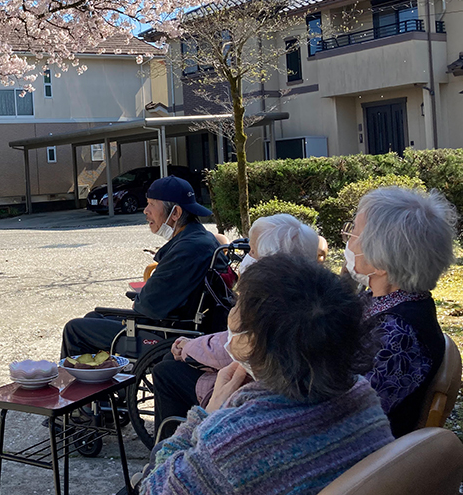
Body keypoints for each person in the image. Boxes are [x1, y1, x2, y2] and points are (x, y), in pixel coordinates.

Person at [139, 255, 394, 495]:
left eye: (237, 305)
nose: (231, 313)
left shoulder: (232, 441)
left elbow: (153, 489)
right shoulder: (362, 396)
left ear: (251, 342)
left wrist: (206, 416)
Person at [152, 214, 320, 425]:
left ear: (272, 260)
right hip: (281, 388)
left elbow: (235, 348)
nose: (247, 257)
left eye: (252, 251)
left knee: (165, 371)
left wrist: (188, 348)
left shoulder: (267, 301)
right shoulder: (315, 294)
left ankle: (173, 439)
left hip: (249, 392)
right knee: (172, 360)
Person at [60, 176, 220, 358]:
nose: (145, 210)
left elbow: (147, 306)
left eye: (152, 204)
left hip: (168, 333)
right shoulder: (201, 238)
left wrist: (141, 298)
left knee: (75, 329)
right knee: (92, 318)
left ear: (175, 213)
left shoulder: (188, 249)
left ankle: (75, 376)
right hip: (180, 322)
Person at [343, 186, 456, 437]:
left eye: (353, 233)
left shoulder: (399, 334)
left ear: (380, 262)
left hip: (359, 452)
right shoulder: (379, 300)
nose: (348, 240)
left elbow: (347, 416)